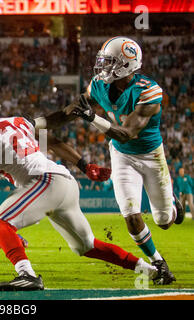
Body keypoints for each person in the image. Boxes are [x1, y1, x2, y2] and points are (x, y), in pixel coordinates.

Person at [0, 85, 163, 291]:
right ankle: (150, 269)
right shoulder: (18, 121)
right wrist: (85, 166)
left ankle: (27, 274)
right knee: (87, 245)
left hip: (44, 182)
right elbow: (53, 141)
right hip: (65, 181)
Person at [33, 37, 184, 284]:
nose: (102, 67)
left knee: (164, 221)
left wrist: (92, 117)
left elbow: (127, 133)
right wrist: (34, 124)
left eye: (109, 62)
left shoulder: (148, 91)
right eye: (103, 61)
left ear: (127, 65)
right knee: (131, 217)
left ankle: (174, 207)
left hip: (151, 156)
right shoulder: (100, 85)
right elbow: (67, 113)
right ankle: (159, 262)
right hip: (122, 155)